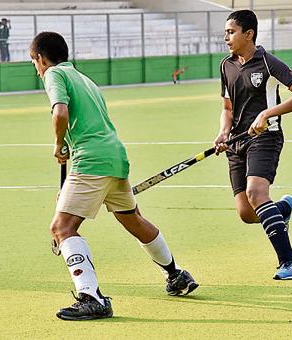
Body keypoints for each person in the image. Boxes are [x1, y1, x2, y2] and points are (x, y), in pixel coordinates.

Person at [30, 31, 199, 321]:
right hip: (114, 156)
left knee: (62, 229)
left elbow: (60, 113)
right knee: (133, 219)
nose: (36, 67)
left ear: (41, 58)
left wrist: (59, 145)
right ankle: (176, 274)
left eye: (34, 61)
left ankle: (91, 297)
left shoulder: (53, 74)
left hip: (92, 159)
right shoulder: (85, 79)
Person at [214, 10, 292, 280]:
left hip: (265, 137)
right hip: (237, 142)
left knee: (256, 194)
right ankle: (281, 210)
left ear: (249, 34)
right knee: (247, 213)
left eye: (231, 31)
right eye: (225, 32)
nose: (226, 37)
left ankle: (291, 262)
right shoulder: (226, 65)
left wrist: (267, 114)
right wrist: (223, 132)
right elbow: (227, 106)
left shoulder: (269, 63)